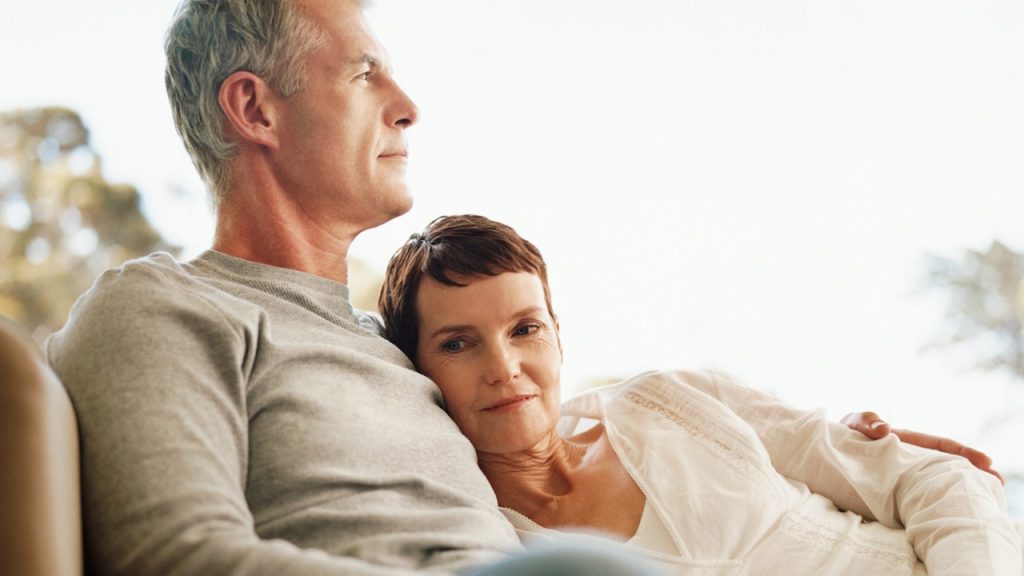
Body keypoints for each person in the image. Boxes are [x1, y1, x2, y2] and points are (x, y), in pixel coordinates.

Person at [42, 0, 999, 574]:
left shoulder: (384, 351)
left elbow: (531, 421)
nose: (408, 105)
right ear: (254, 108)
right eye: (365, 73)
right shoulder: (163, 308)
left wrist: (812, 444)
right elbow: (177, 560)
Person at [378, 214, 1024, 575]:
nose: (506, 367)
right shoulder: (492, 543)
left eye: (525, 330)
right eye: (459, 344)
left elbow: (937, 481)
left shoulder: (669, 402)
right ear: (418, 368)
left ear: (558, 338)